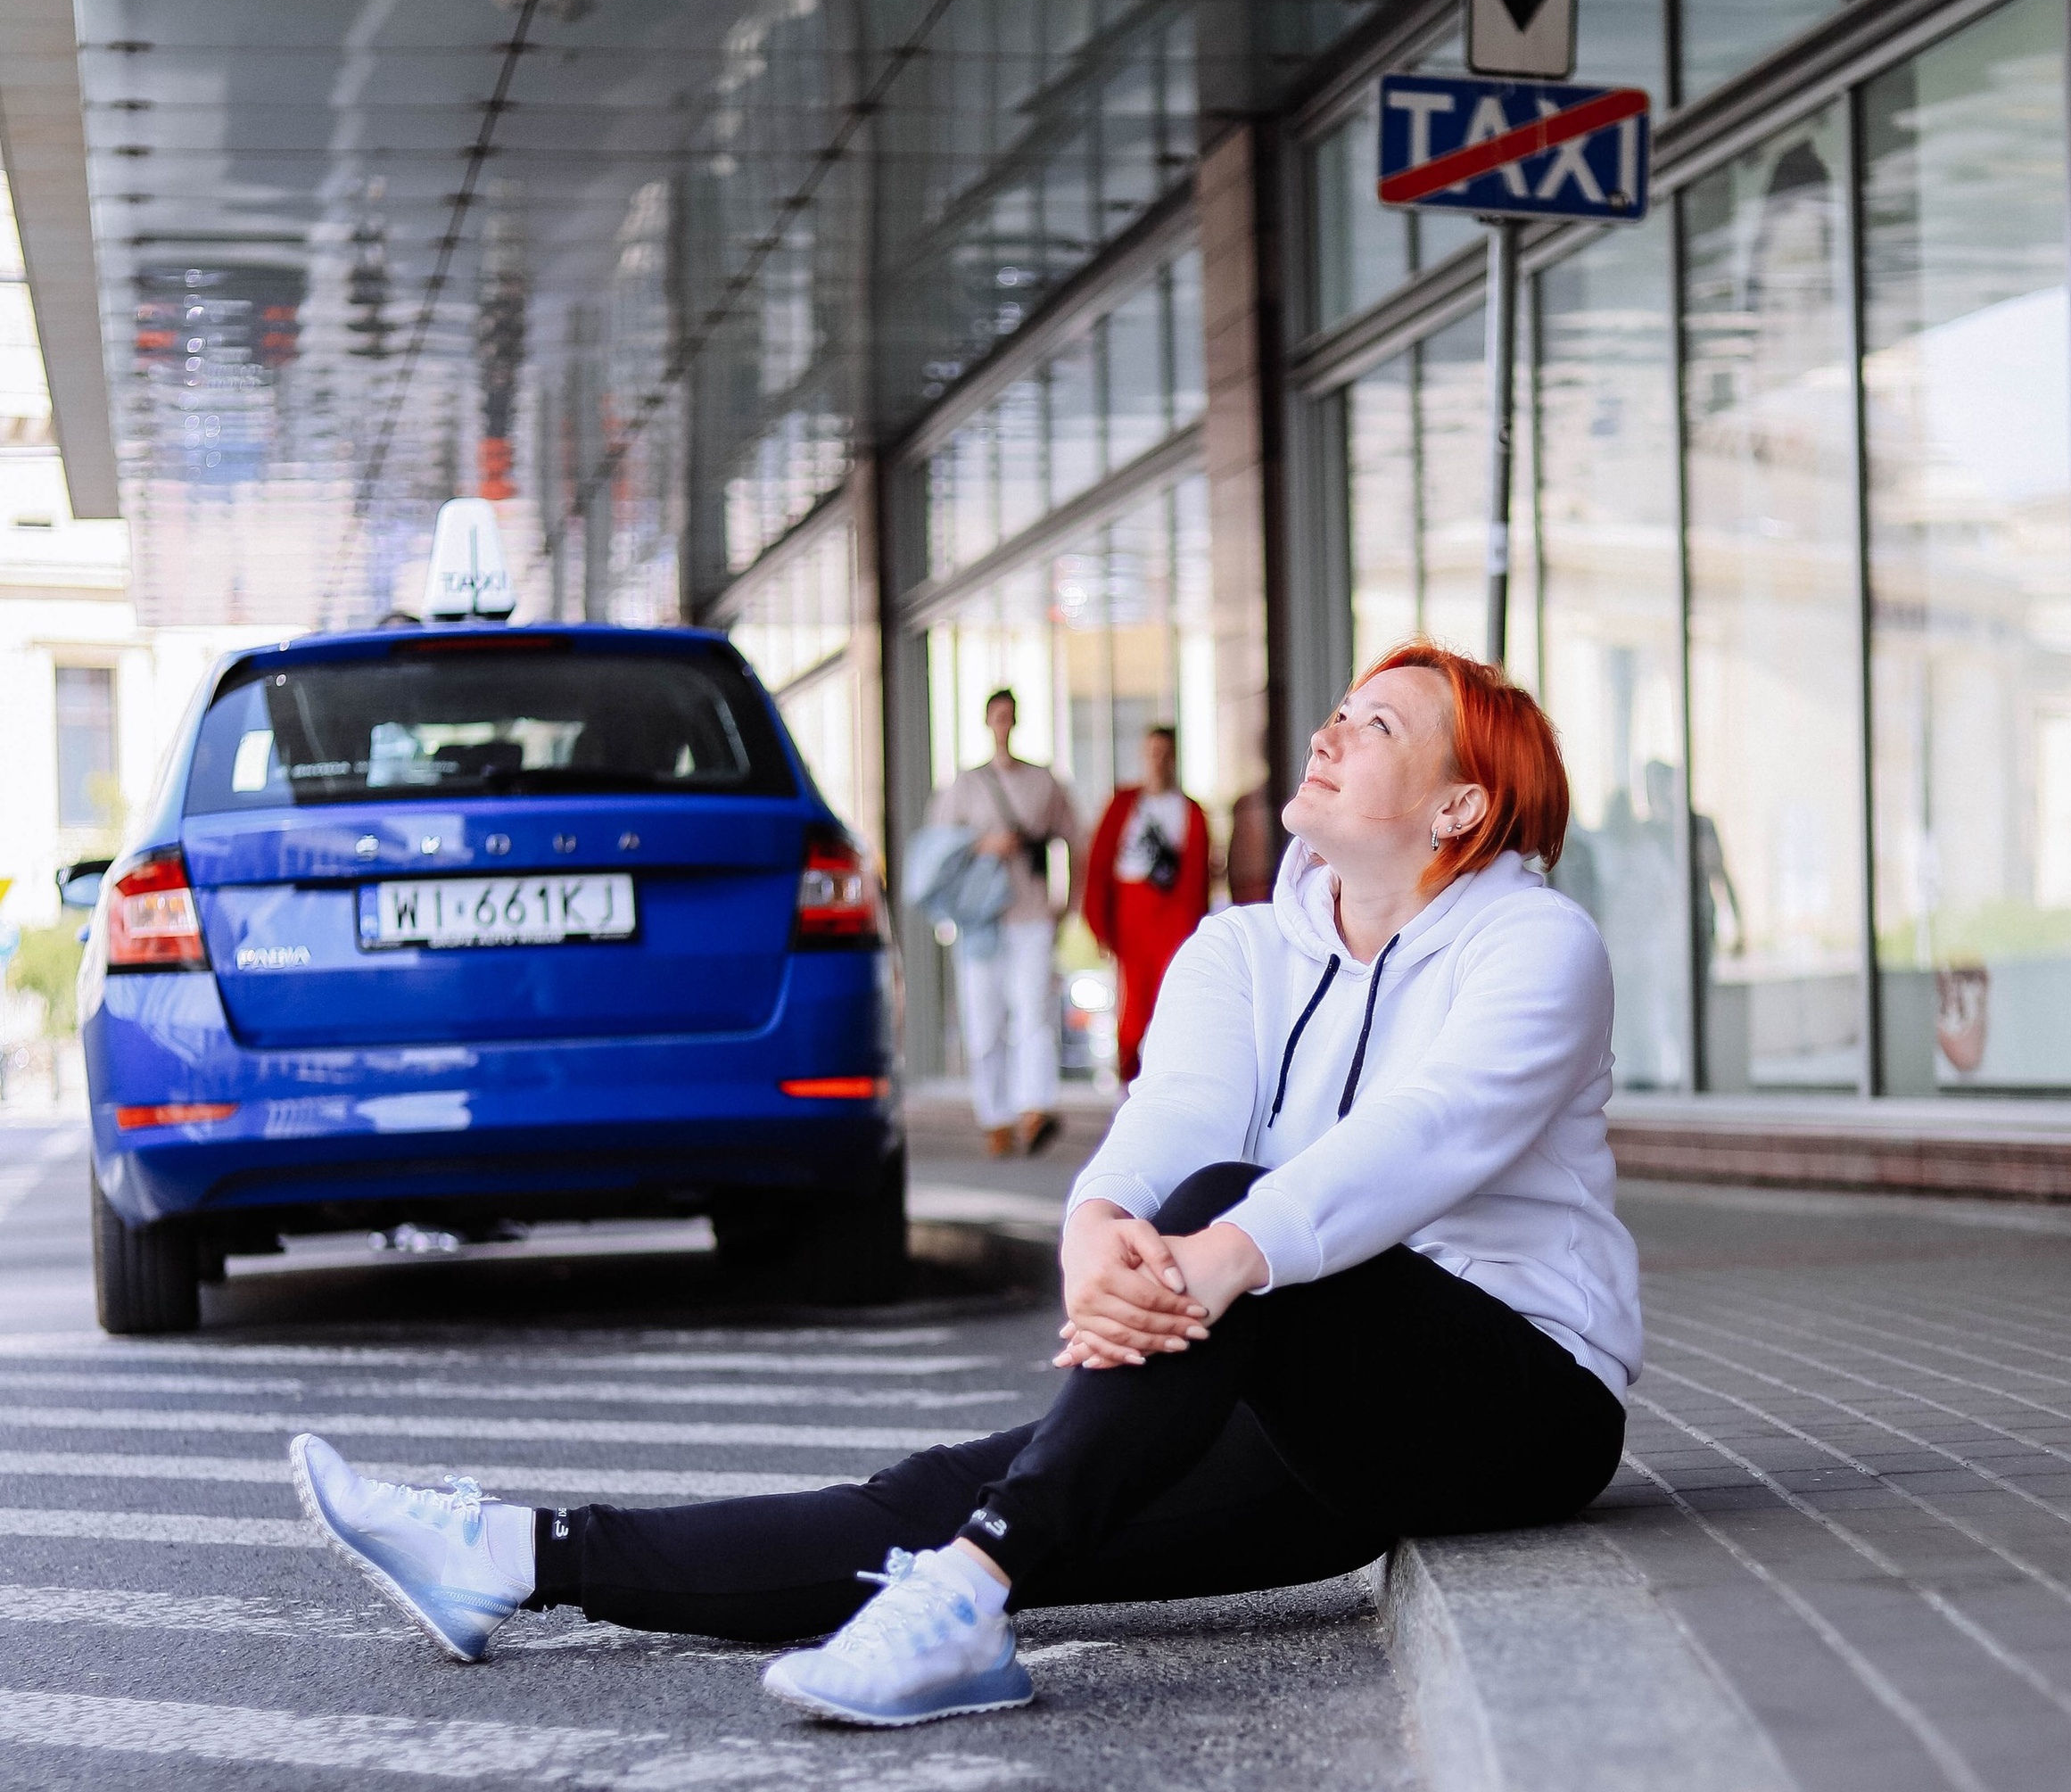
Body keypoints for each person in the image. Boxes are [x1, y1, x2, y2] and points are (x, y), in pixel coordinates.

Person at [290, 642, 1642, 1730]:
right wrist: (1098, 1235)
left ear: (1463, 804)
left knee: (1220, 1229)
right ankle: (518, 1557)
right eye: (1337, 711)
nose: (1331, 734)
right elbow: (1169, 1119)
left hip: (1516, 1399)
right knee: (946, 1492)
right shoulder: (1242, 950)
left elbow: (1424, 1133)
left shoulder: (1534, 944)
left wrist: (1218, 1256)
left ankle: (972, 1597)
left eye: (1380, 726)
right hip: (1310, 1414)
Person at [927, 686, 1085, 1159]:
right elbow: (938, 849)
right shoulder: (966, 785)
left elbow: (1076, 839)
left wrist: (1067, 902)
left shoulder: (1043, 782)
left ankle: (1034, 1108)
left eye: (1008, 716)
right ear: (987, 722)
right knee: (984, 1018)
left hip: (1032, 910)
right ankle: (994, 1116)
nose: (1003, 724)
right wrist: (983, 845)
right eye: (995, 716)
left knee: (1033, 1010)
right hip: (981, 920)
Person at [1081, 721, 1212, 1084]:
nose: (1159, 762)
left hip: (1172, 915)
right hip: (1131, 912)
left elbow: (1197, 876)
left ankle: (1167, 1075)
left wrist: (1193, 926)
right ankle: (1127, 1076)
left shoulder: (1190, 811)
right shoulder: (1124, 804)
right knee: (1133, 1000)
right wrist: (1098, 923)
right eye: (1153, 753)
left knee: (1171, 996)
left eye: (1166, 754)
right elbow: (1099, 864)